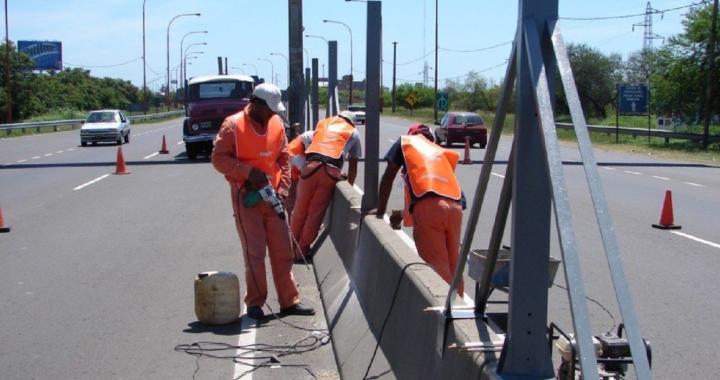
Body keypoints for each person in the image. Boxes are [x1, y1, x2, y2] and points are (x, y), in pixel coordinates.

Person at [211, 83, 315, 320]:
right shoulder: (233, 125)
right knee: (255, 253)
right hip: (247, 198)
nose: (271, 114)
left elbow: (284, 159)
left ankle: (289, 302)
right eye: (268, 109)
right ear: (255, 103)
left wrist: (284, 190)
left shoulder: (277, 123)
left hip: (274, 197)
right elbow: (218, 159)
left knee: (283, 252)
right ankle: (256, 303)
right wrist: (246, 171)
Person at [367, 124, 465, 295]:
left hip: (430, 206)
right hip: (455, 206)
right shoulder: (437, 150)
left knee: (437, 268)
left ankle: (446, 314)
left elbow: (388, 176)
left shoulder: (406, 142)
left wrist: (380, 210)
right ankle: (462, 309)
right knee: (454, 264)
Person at [290, 111, 362, 260]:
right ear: (351, 122)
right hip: (330, 171)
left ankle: (290, 247)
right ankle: (301, 251)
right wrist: (349, 184)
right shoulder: (352, 131)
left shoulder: (323, 123)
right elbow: (353, 163)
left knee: (299, 209)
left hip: (309, 166)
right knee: (315, 212)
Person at [286, 129, 315, 219]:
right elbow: (309, 172)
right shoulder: (297, 156)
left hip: (294, 172)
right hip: (290, 177)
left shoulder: (304, 137)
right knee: (291, 200)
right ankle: (290, 224)